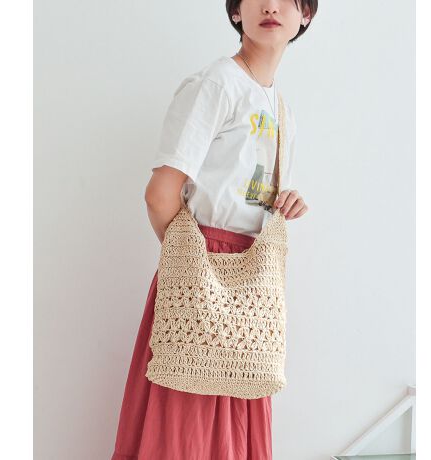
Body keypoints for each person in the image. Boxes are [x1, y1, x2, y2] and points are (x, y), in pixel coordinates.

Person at [111, 1, 317, 458]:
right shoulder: (217, 83)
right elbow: (161, 194)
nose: (270, 6)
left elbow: (242, 192)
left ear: (305, 13)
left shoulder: (281, 108)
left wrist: (285, 201)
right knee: (188, 427)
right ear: (236, 11)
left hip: (253, 284)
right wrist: (193, 265)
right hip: (204, 267)